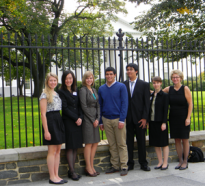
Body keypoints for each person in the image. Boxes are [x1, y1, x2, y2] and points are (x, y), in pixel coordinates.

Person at [98, 67, 129, 176]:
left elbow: (125, 104)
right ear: (105, 75)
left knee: (121, 143)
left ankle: (124, 166)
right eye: (107, 74)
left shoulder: (121, 87)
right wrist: (101, 121)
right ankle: (115, 166)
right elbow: (100, 106)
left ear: (115, 75)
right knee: (112, 144)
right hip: (106, 119)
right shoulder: (101, 88)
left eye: (111, 74)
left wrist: (122, 119)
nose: (109, 76)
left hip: (118, 119)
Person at [39, 72, 67, 184]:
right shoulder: (44, 94)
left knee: (58, 150)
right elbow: (43, 114)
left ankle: (56, 175)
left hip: (58, 120)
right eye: (51, 80)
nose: (53, 82)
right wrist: (46, 130)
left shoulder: (56, 93)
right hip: (50, 121)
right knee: (52, 151)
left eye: (55, 80)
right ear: (47, 81)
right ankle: (52, 177)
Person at [163, 69, 192, 170]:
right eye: (173, 77)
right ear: (171, 78)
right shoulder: (169, 89)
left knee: (185, 139)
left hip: (184, 117)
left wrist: (188, 118)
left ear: (180, 78)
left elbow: (190, 104)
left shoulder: (185, 89)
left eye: (177, 77)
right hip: (173, 117)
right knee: (177, 140)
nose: (175, 79)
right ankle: (180, 161)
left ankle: (185, 161)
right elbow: (158, 92)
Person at [124, 63, 150, 171]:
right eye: (127, 69)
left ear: (136, 71)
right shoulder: (123, 84)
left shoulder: (144, 84)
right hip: (128, 118)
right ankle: (130, 163)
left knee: (141, 142)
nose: (129, 71)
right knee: (128, 142)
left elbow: (146, 103)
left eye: (131, 69)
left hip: (140, 119)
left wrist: (145, 118)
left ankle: (143, 163)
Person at [58, 70, 83, 181]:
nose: (69, 80)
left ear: (73, 79)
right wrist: (76, 118)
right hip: (69, 122)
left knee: (75, 146)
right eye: (67, 78)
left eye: (70, 78)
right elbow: (65, 108)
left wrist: (81, 118)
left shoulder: (76, 90)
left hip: (78, 122)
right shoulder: (61, 91)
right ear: (64, 80)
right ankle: (72, 171)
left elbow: (80, 106)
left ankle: (71, 171)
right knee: (70, 146)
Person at [79, 71, 100, 177]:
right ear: (84, 79)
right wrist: (92, 120)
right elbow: (84, 107)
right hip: (88, 120)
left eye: (91, 78)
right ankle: (88, 167)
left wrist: (98, 119)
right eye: (87, 78)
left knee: (95, 142)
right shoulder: (83, 90)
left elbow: (98, 105)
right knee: (89, 143)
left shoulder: (94, 90)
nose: (89, 80)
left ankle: (92, 166)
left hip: (95, 119)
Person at [148, 76, 169, 170]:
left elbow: (166, 110)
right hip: (153, 122)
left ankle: (165, 162)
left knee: (164, 143)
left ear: (160, 83)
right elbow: (149, 110)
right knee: (156, 143)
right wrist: (148, 122)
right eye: (154, 83)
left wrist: (164, 122)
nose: (155, 84)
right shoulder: (151, 95)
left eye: (157, 82)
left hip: (161, 122)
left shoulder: (164, 95)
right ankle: (160, 162)